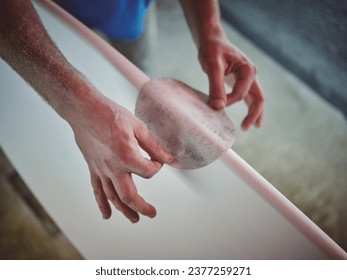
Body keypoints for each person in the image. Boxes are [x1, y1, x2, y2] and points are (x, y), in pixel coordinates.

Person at [0, 0, 264, 223]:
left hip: (131, 9)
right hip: (40, 9)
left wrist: (210, 30)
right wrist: (76, 104)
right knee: (27, 106)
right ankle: (21, 173)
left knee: (140, 82)